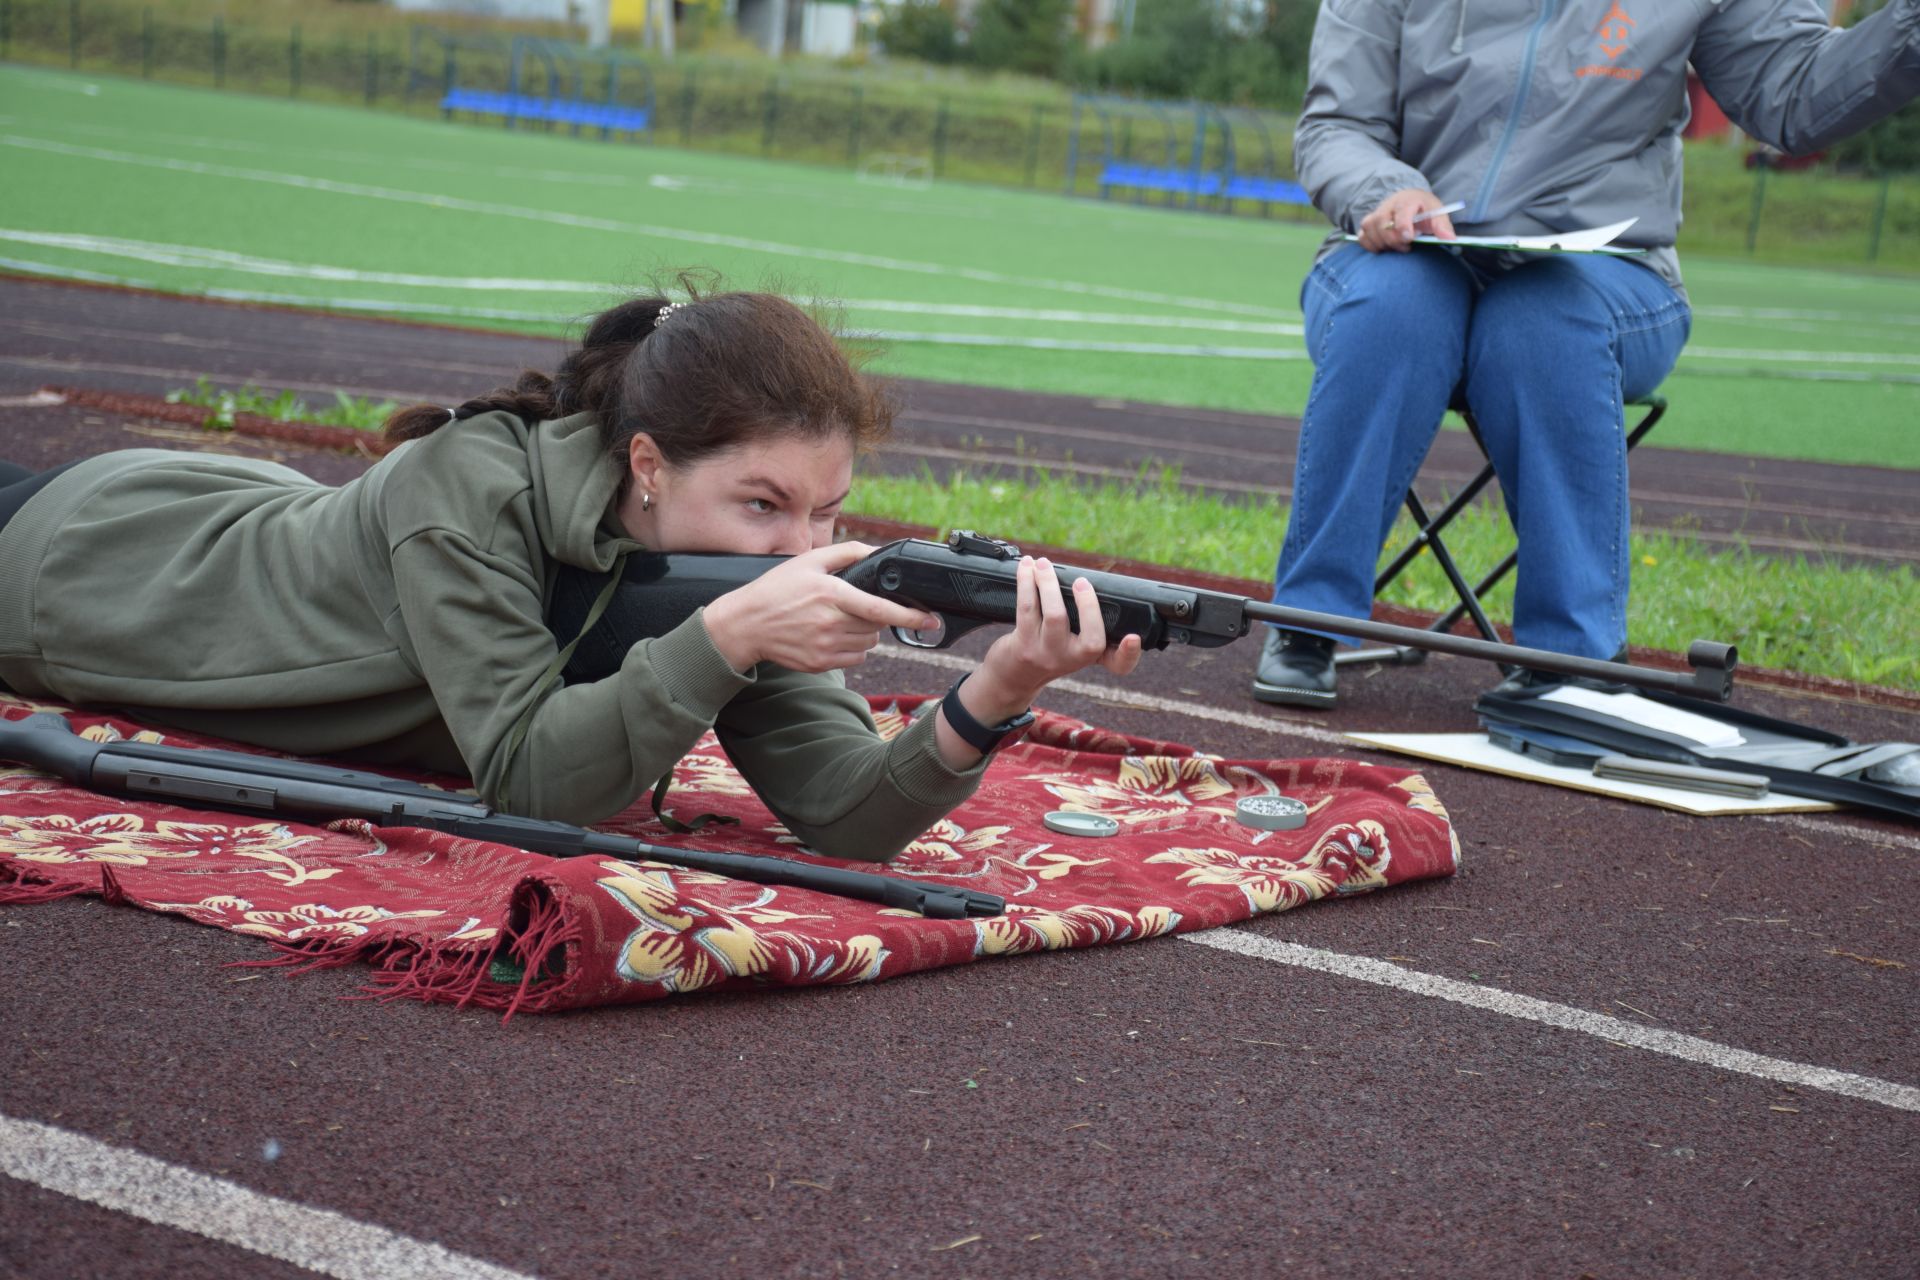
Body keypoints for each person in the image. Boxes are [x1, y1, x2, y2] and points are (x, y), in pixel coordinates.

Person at [0, 287, 1142, 861]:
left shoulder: (730, 580)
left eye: (825, 512)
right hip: (92, 567)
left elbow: (845, 811)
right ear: (646, 463)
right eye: (762, 503)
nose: (799, 548)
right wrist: (727, 639)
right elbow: (528, 778)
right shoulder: (468, 487)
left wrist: (993, 693)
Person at [1253, 0, 1920, 709]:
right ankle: (1308, 621)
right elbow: (1337, 125)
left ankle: (1571, 656)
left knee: (1541, 322)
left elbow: (1791, 96)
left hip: (1606, 275)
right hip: (1399, 252)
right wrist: (1384, 191)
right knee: (1395, 310)